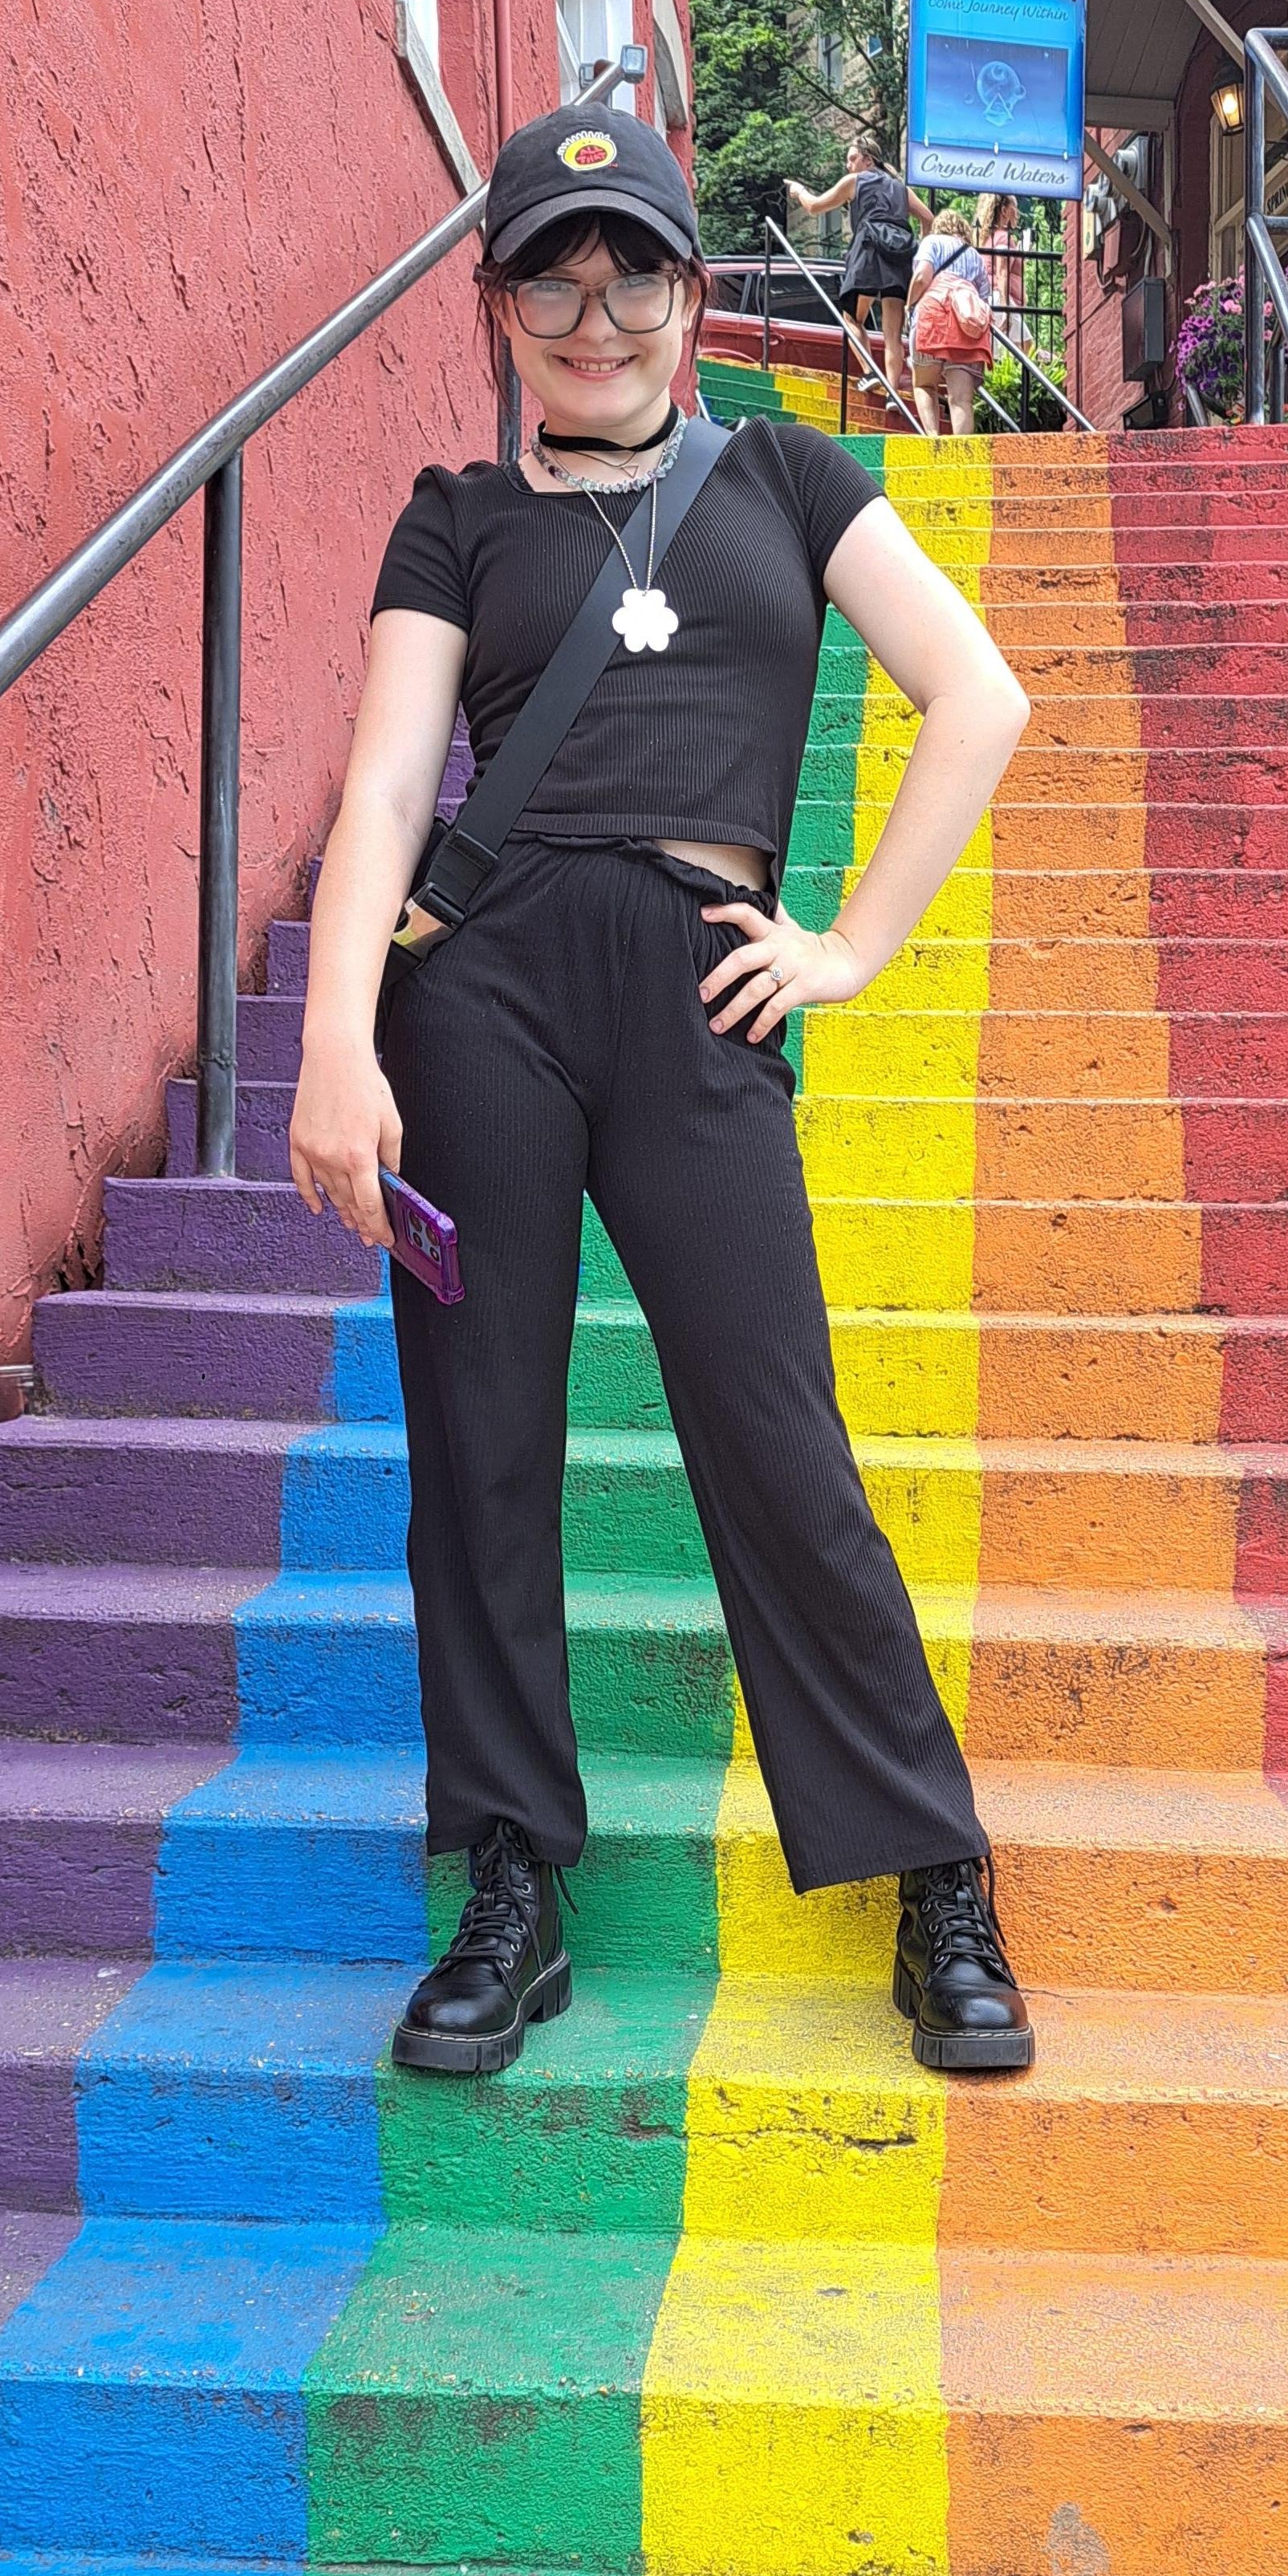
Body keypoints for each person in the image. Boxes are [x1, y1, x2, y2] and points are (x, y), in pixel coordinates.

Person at [289, 104, 1036, 2081]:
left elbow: (978, 696)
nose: (596, 314)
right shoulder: (456, 516)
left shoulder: (787, 472)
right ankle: (510, 1876)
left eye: (631, 272)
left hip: (704, 988)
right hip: (483, 999)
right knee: (481, 1439)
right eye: (552, 277)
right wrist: (338, 1036)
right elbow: (387, 783)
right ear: (498, 306)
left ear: (693, 293)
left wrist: (849, 944)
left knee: (777, 1438)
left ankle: (932, 1864)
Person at [785, 136, 915, 416]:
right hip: (898, 256)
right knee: (893, 334)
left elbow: (814, 207)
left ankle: (870, 372)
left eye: (852, 158)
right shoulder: (901, 188)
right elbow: (928, 217)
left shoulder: (855, 182)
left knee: (852, 317)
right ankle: (893, 394)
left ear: (868, 160)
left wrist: (799, 191)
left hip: (868, 252)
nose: (848, 165)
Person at [907, 207, 995, 437]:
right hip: (966, 324)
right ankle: (961, 452)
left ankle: (933, 440)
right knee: (961, 399)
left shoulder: (932, 241)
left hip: (934, 315)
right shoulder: (974, 255)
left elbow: (922, 277)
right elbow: (985, 297)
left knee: (924, 385)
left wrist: (909, 305)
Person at [974, 189, 1025, 348]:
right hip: (1000, 298)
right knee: (1024, 346)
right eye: (1015, 208)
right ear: (1004, 210)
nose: (1018, 214)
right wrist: (1005, 308)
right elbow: (1002, 272)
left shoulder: (989, 238)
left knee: (1005, 349)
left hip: (989, 297)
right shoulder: (1003, 238)